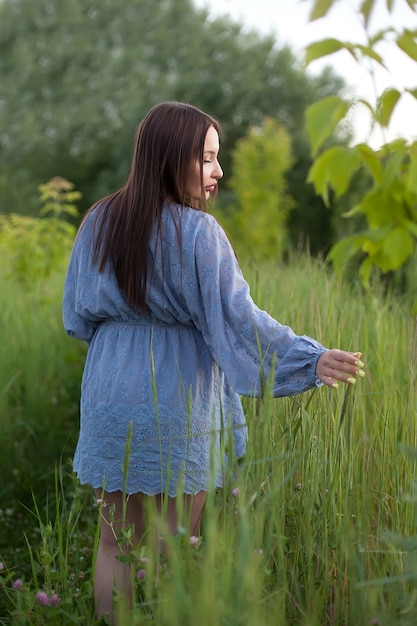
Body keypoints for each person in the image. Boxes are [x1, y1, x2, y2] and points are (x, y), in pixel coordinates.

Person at [62, 101, 365, 622]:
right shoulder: (200, 234)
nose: (218, 171)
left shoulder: (98, 221)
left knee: (114, 544)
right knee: (173, 546)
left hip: (110, 381)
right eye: (207, 158)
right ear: (172, 157)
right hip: (178, 391)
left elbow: (76, 315)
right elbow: (240, 319)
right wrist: (308, 359)